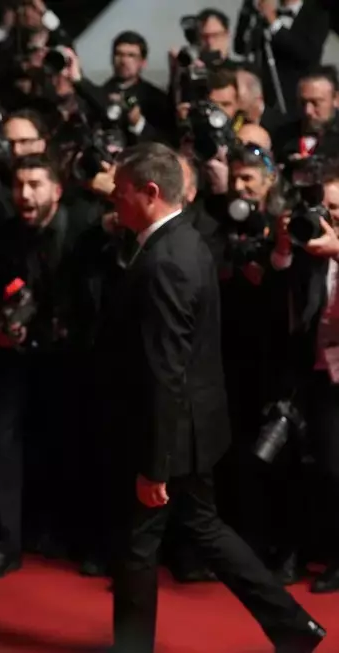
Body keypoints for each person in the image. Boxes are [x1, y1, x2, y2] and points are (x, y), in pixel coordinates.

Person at [106, 142, 325, 653]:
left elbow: (166, 369)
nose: (114, 200)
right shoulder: (186, 240)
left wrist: (155, 465)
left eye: (121, 192)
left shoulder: (165, 260)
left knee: (138, 547)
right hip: (193, 427)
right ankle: (293, 626)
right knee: (204, 528)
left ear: (151, 192)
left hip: (171, 434)